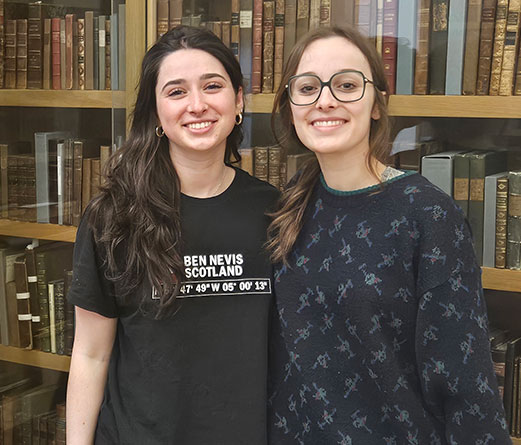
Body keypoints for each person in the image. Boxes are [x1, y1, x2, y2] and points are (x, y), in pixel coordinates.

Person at [266, 26, 511, 444]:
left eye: (346, 85)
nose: (326, 99)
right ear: (290, 107)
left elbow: (465, 384)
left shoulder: (427, 214)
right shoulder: (290, 201)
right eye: (307, 87)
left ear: (377, 103)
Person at [66, 26, 278, 445]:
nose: (197, 105)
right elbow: (91, 355)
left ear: (238, 101)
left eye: (212, 86)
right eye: (176, 92)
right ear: (156, 112)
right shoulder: (113, 217)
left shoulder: (274, 211)